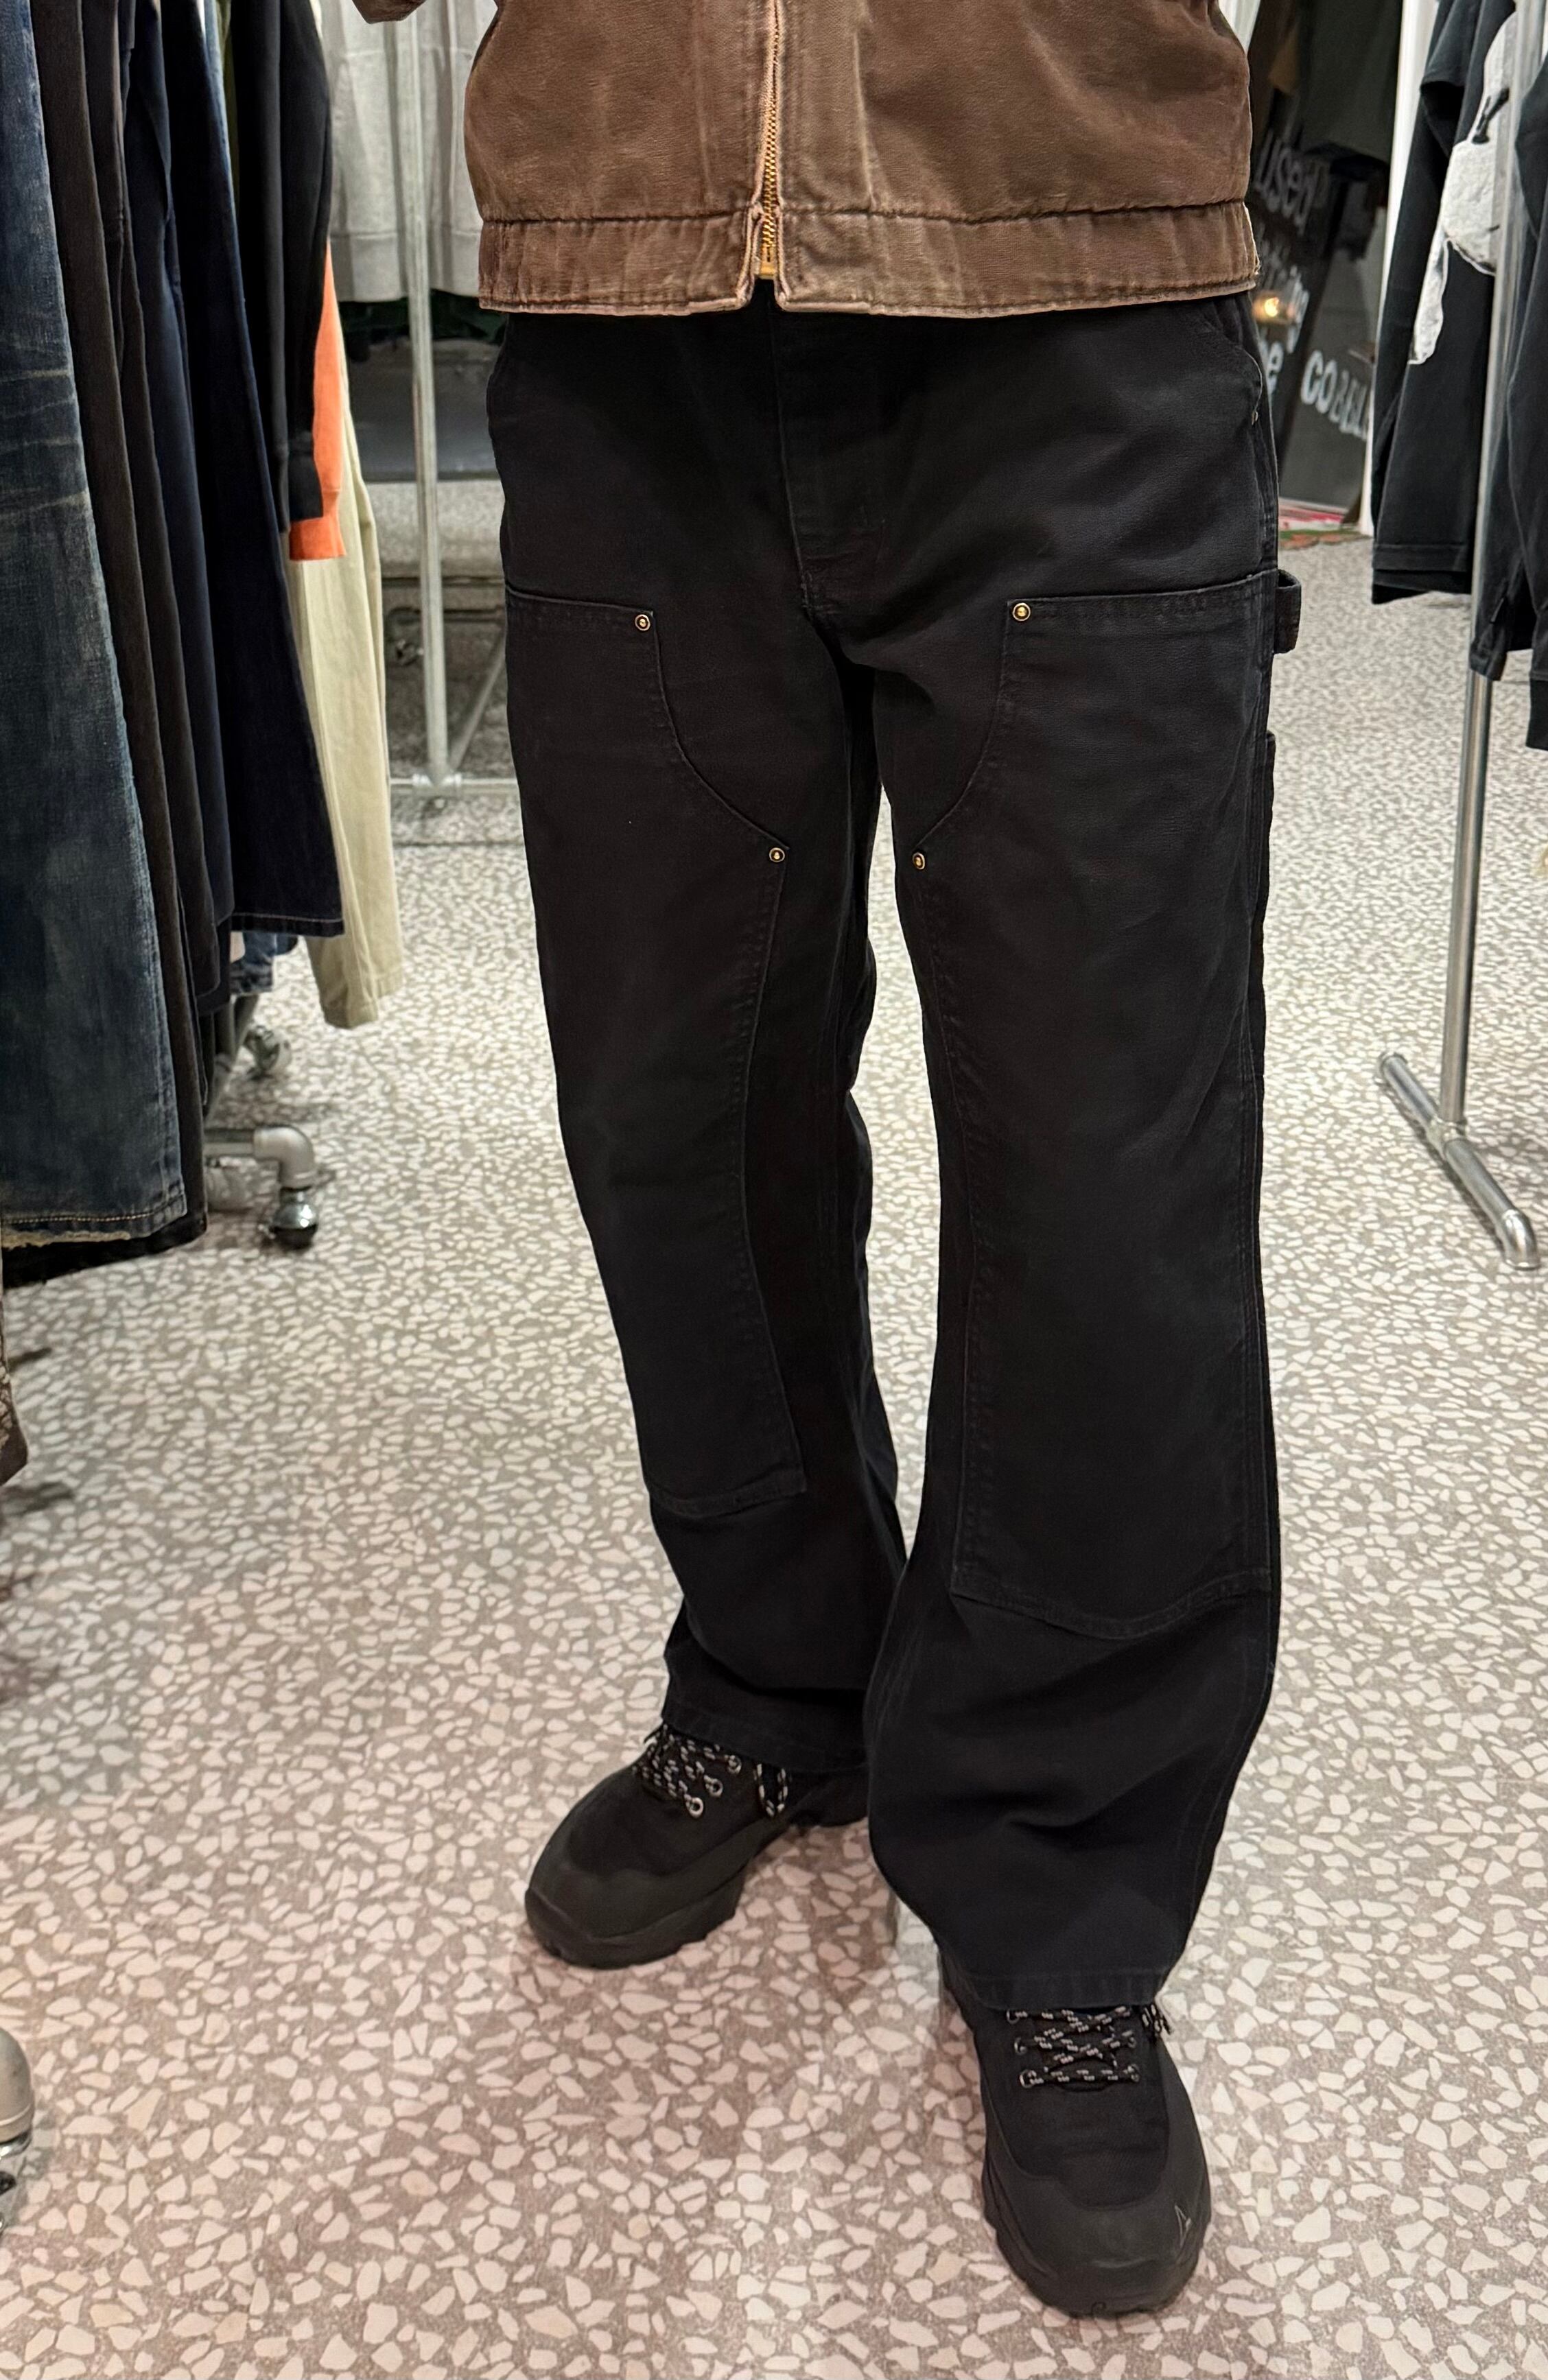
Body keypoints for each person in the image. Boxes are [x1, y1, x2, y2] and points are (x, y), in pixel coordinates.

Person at [355, 0, 1293, 2316]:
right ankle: (778, 1672)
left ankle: (1061, 1878)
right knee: (674, 1110)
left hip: (1065, 289)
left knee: (1105, 1167)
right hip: (626, 314)